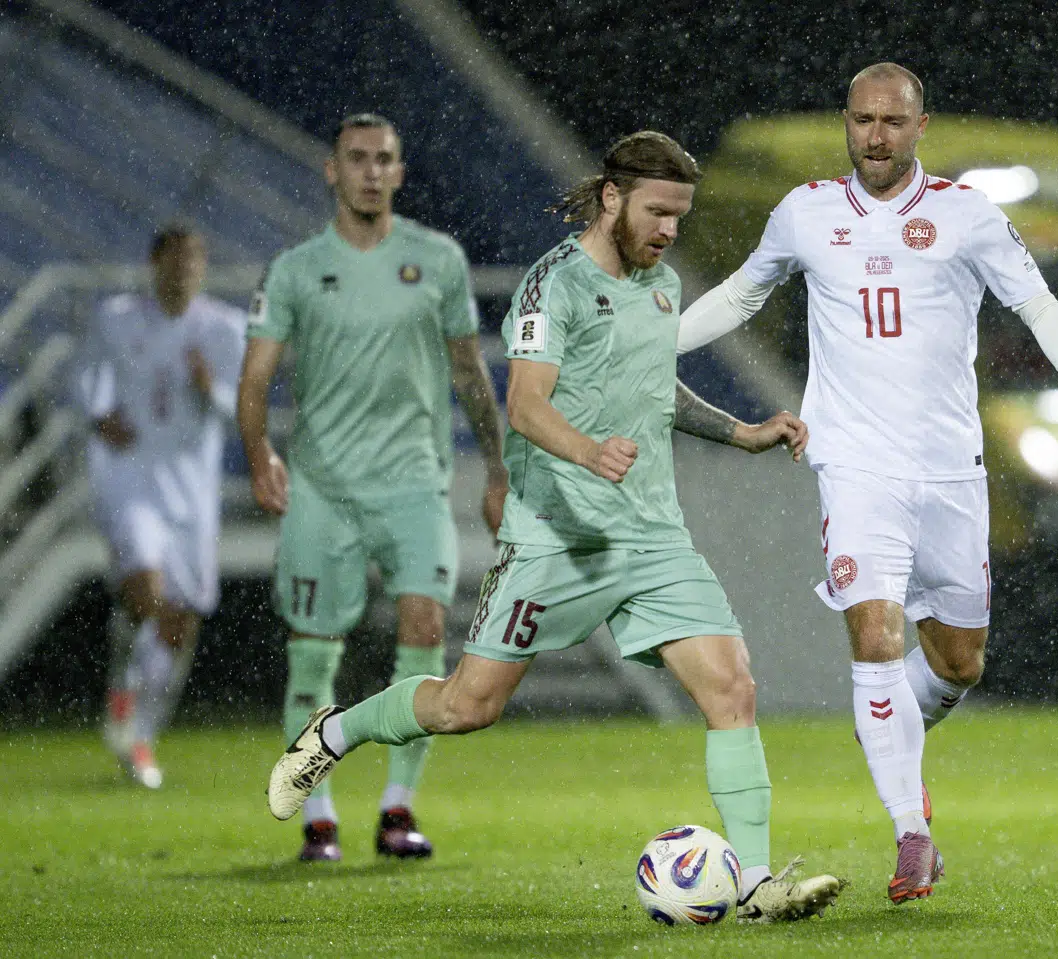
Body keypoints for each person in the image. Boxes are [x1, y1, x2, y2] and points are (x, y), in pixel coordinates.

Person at [267, 130, 845, 922]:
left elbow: (656, 388)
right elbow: (525, 405)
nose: (670, 230)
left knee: (732, 688)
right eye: (658, 212)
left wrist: (740, 432)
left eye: (680, 215)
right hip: (557, 537)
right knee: (468, 705)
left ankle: (752, 883)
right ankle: (338, 730)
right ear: (612, 198)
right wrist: (588, 451)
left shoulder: (664, 285)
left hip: (650, 537)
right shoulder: (553, 285)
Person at [676, 63, 1058, 902]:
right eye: (863, 120)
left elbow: (1037, 300)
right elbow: (740, 294)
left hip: (950, 467)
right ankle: (912, 831)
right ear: (847, 121)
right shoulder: (805, 212)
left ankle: (891, 730)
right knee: (873, 637)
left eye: (892, 122)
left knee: (959, 662)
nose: (876, 136)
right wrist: (656, 347)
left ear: (920, 126)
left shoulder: (965, 215)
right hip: (853, 462)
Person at [239, 113, 509, 863]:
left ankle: (397, 808)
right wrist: (259, 452)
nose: (368, 171)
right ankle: (317, 813)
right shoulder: (295, 267)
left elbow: (467, 370)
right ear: (332, 171)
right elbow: (255, 376)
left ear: (399, 171)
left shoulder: (438, 259)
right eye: (355, 159)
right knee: (313, 651)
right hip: (322, 487)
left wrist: (497, 465)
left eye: (382, 159)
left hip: (415, 485)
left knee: (424, 627)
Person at [79, 224, 246, 789]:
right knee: (147, 591)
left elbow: (239, 407)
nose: (185, 270)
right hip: (131, 477)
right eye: (175, 260)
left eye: (195, 260)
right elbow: (84, 376)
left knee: (180, 618)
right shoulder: (117, 318)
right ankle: (125, 700)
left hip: (192, 493)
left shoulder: (224, 328)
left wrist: (209, 390)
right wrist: (98, 414)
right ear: (155, 263)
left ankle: (141, 733)